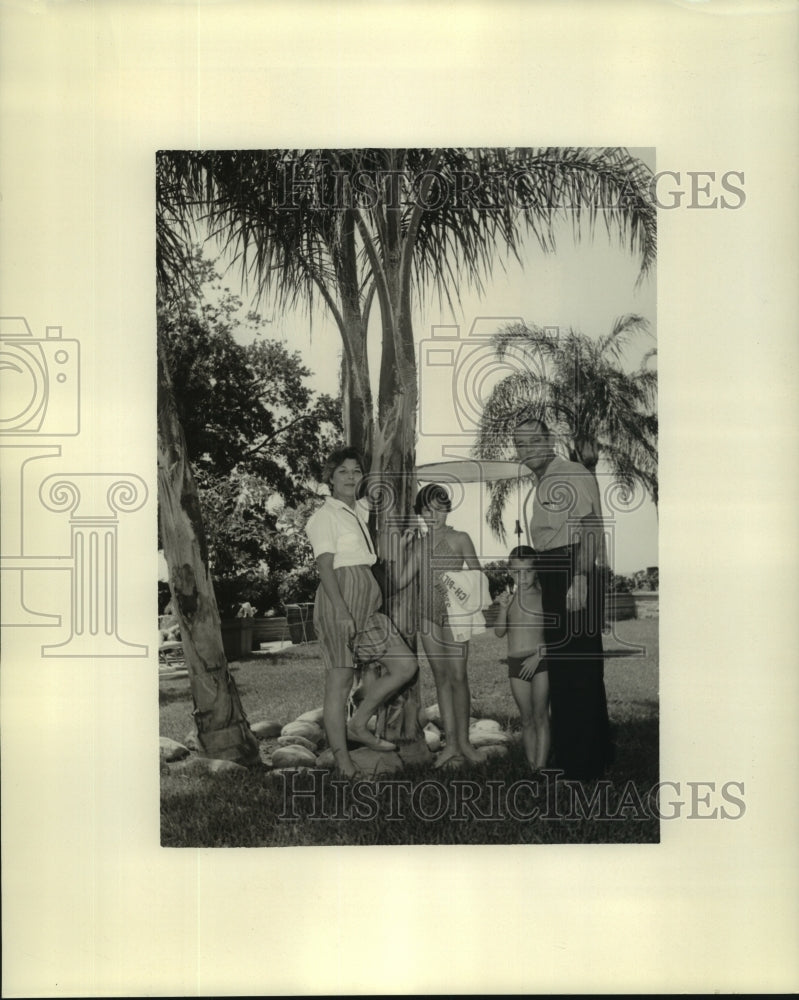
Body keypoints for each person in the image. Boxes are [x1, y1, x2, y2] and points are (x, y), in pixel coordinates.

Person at [305, 446, 418, 778]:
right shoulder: (324, 516)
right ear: (330, 477)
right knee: (339, 683)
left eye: (356, 471)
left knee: (404, 664)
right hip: (340, 597)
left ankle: (358, 723)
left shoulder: (355, 511)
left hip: (366, 602)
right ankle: (344, 764)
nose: (351, 476)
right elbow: (325, 566)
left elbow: (388, 493)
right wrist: (341, 610)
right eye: (343, 471)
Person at [512, 414, 612, 780]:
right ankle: (587, 756)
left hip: (574, 570)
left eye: (532, 441)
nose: (526, 449)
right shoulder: (542, 481)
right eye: (519, 444)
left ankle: (583, 769)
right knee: (567, 670)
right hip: (557, 572)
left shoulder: (570, 473)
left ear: (548, 440)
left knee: (578, 671)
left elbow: (590, 528)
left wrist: (581, 578)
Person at [397, 483, 485, 768]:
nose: (433, 514)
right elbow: (400, 581)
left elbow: (477, 576)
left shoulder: (460, 538)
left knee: (459, 676)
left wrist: (453, 583)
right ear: (420, 513)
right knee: (441, 678)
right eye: (426, 510)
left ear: (447, 509)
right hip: (427, 616)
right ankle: (450, 746)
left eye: (438, 508)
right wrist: (402, 548)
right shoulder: (420, 545)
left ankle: (465, 744)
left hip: (455, 614)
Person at [493, 545, 550, 772]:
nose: (522, 577)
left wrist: (539, 655)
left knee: (541, 716)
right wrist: (503, 608)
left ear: (536, 571)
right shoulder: (511, 599)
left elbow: (558, 634)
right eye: (517, 572)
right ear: (510, 571)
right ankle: (532, 765)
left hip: (540, 662)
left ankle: (542, 767)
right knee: (526, 719)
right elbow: (499, 632)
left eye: (527, 571)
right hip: (516, 664)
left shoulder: (544, 597)